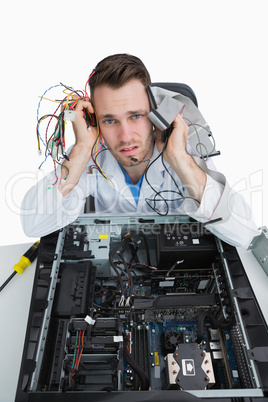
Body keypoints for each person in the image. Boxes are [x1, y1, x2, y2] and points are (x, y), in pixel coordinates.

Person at [21, 53, 258, 247]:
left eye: (135, 116)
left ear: (155, 112)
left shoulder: (182, 149)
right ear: (94, 120)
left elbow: (245, 234)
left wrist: (181, 162)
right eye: (110, 120)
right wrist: (82, 148)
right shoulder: (86, 155)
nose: (125, 137)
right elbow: (32, 223)